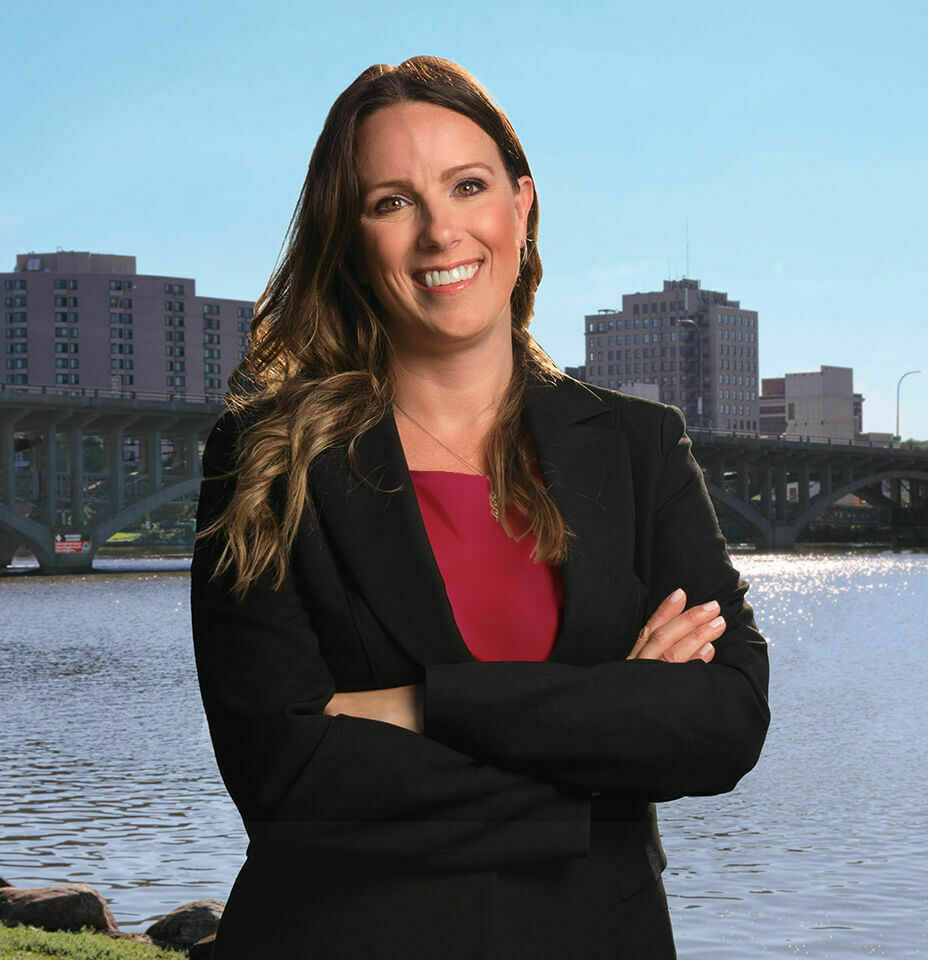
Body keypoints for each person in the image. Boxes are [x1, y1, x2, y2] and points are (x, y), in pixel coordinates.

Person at [190, 56, 770, 960]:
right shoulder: (270, 457)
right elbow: (284, 772)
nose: (439, 232)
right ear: (349, 237)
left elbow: (724, 720)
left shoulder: (638, 446)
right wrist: (605, 737)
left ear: (521, 204)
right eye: (391, 202)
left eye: (467, 186)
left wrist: (424, 708)